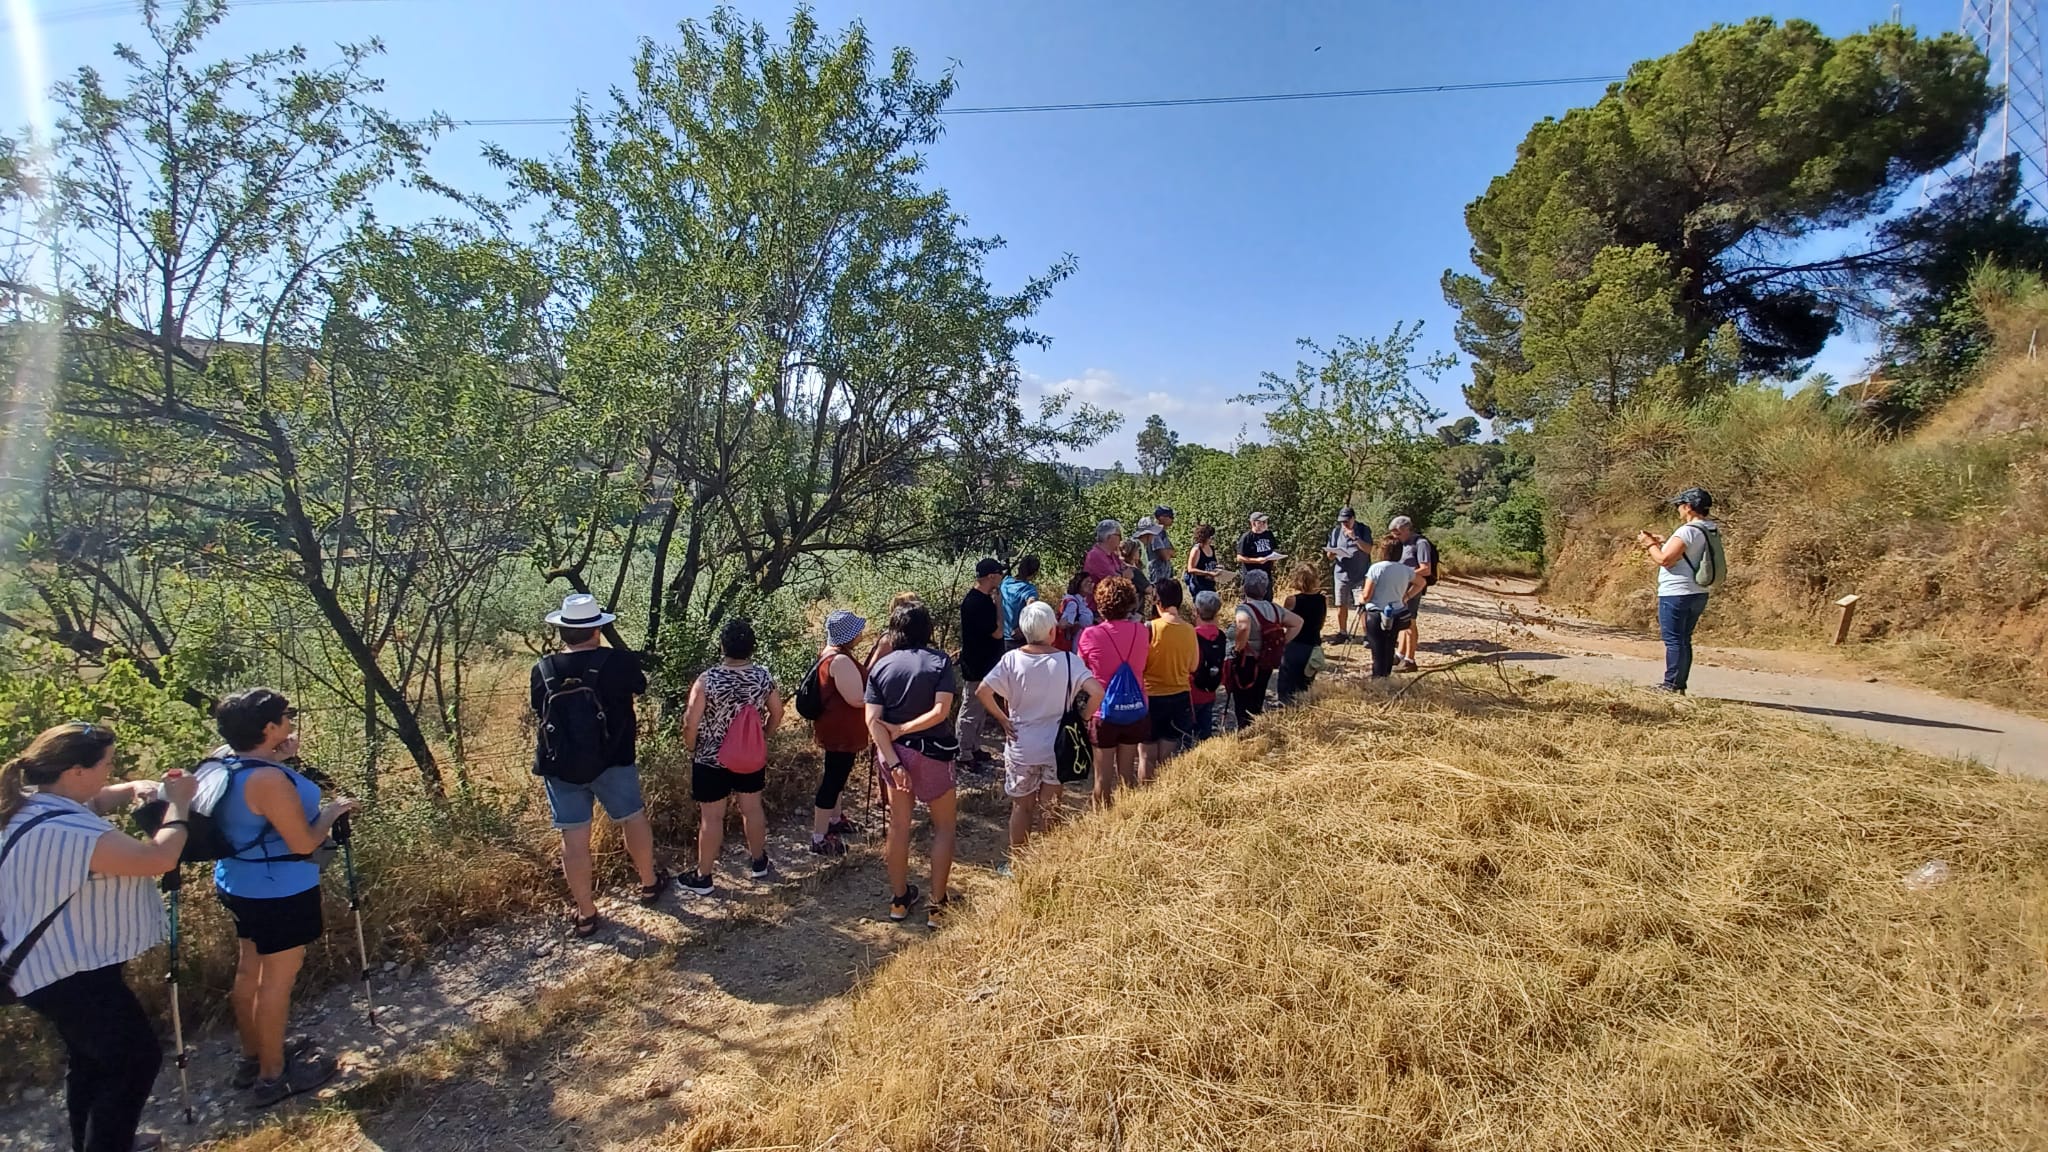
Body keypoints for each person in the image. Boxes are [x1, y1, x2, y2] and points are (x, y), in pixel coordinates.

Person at [1, 723, 196, 1151]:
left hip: (51, 967)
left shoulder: (28, 804)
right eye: (107, 764)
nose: (111, 772)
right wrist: (177, 807)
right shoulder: (68, 832)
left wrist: (132, 790)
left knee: (91, 1063)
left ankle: (93, 1143)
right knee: (134, 1062)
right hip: (70, 975)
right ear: (74, 771)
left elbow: (97, 797)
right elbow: (158, 858)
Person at [211, 688, 355, 1106]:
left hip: (239, 881)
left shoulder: (224, 761)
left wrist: (280, 755)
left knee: (250, 971)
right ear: (269, 727)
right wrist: (332, 812)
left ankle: (254, 1056)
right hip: (279, 888)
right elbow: (304, 843)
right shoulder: (269, 780)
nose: (291, 721)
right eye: (285, 717)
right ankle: (274, 1077)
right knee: (277, 980)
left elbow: (251, 800)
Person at [530, 594, 664, 936]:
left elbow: (538, 708)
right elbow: (640, 686)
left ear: (562, 631)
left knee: (573, 840)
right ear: (598, 628)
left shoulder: (542, 670)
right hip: (614, 758)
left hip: (561, 766)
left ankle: (586, 913)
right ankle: (649, 884)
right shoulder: (619, 662)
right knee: (632, 819)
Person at [976, 602, 1103, 868]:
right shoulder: (1068, 661)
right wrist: (1082, 717)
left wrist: (1002, 719)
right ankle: (1047, 864)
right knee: (1051, 807)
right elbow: (1097, 692)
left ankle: (1018, 865)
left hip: (1022, 744)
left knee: (1022, 807)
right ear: (1053, 631)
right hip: (1058, 746)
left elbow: (983, 691)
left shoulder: (1011, 660)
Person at [865, 602, 961, 927]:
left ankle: (899, 900)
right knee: (944, 826)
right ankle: (937, 906)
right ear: (927, 629)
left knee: (899, 827)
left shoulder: (881, 667)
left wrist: (893, 763)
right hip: (933, 753)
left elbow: (872, 722)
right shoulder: (940, 662)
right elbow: (940, 712)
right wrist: (906, 729)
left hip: (894, 758)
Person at [680, 618, 782, 892]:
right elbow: (778, 712)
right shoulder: (763, 676)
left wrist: (691, 747)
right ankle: (759, 863)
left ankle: (703, 877)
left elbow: (691, 721)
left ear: (722, 645)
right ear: (752, 646)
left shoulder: (707, 679)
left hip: (710, 758)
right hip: (749, 756)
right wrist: (762, 737)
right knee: (752, 809)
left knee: (711, 818)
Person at [1077, 577, 1150, 810]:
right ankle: (1129, 820)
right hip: (1135, 708)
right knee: (1127, 775)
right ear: (1130, 602)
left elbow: (1081, 673)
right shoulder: (1142, 631)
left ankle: (1103, 826)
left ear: (1100, 604)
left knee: (1102, 779)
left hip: (1103, 712)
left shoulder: (1090, 635)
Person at [1639, 486, 1721, 694]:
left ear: (1689, 508)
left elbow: (1664, 559)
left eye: (1680, 505)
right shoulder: (1709, 528)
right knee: (1684, 639)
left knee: (1674, 640)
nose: (1678, 509)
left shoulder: (1686, 530)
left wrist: (1649, 544)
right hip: (1698, 592)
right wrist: (1664, 542)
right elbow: (1689, 552)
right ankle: (1678, 684)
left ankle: (1671, 684)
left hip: (1677, 592)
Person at [807, 610, 870, 857]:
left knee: (837, 776)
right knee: (833, 780)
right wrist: (879, 699)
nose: (861, 634)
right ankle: (819, 837)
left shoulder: (829, 654)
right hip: (842, 729)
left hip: (834, 727)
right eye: (857, 630)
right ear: (848, 635)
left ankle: (834, 820)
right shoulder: (841, 661)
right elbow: (856, 699)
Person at [1228, 569, 1302, 729]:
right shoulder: (1274, 608)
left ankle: (1244, 732)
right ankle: (1255, 728)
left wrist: (1238, 648)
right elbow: (1298, 622)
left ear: (1245, 587)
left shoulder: (1244, 609)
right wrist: (1283, 642)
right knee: (1258, 697)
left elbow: (1243, 626)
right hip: (1266, 659)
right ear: (1265, 589)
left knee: (1242, 701)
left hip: (1247, 661)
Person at [1142, 579, 1199, 776]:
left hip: (1151, 697)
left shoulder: (1149, 628)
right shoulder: (1190, 630)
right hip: (1179, 696)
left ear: (1158, 601)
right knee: (1167, 758)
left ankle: (1144, 799)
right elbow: (1193, 666)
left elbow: (1140, 664)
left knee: (1146, 757)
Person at [956, 558, 1007, 774]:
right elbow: (997, 631)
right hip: (976, 664)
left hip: (985, 663)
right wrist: (999, 606)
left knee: (979, 708)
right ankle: (963, 752)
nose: (1002, 578)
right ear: (991, 577)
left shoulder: (981, 599)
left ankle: (974, 747)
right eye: (999, 574)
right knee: (971, 708)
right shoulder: (977, 602)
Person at [1360, 538, 1427, 678]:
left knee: (1377, 647)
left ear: (1382, 551)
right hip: (1396, 612)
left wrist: (1360, 599)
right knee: (1389, 646)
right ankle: (1386, 676)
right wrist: (1407, 596)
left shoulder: (1376, 568)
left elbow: (1366, 595)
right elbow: (1421, 582)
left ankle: (1377, 678)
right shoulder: (1405, 570)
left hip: (1376, 612)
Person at [1388, 515, 1437, 672]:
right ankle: (1400, 655)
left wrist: (1405, 574)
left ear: (1407, 529)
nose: (1395, 535)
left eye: (1397, 531)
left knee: (1410, 622)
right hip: (1403, 585)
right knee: (1402, 621)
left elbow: (1426, 569)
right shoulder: (1403, 543)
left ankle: (1410, 660)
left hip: (1413, 587)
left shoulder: (1420, 543)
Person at [1278, 564, 1329, 706]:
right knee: (1306, 685)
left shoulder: (1292, 600)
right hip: (1313, 645)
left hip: (1295, 645)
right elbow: (1322, 623)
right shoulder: (1323, 599)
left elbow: (1283, 622)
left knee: (1288, 687)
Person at [1324, 507, 1374, 642]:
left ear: (1353, 519)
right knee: (1341, 604)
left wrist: (1355, 538)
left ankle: (1367, 635)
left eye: (1347, 521)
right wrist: (1332, 552)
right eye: (1342, 522)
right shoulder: (1335, 532)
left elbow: (1369, 550)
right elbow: (1329, 556)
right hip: (1341, 574)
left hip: (1360, 574)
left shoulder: (1363, 530)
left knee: (1362, 605)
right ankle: (1342, 632)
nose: (1344, 524)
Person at [1190, 591, 1227, 741]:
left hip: (1191, 691)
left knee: (1186, 737)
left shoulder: (1191, 635)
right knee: (1204, 734)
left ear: (1197, 611)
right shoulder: (1221, 635)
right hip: (1210, 690)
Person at [999, 556, 1042, 648]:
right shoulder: (1029, 590)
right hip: (1017, 638)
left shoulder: (1005, 582)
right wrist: (1022, 629)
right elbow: (1032, 610)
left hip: (1000, 635)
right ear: (1034, 573)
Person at [1058, 573, 1098, 651]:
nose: (1091, 585)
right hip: (1076, 645)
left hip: (1082, 643)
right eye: (1087, 582)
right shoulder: (1072, 603)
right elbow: (1062, 624)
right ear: (1079, 584)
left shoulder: (1081, 601)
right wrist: (1077, 625)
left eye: (1091, 582)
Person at [1236, 511, 1281, 579]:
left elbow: (1274, 549)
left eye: (1265, 522)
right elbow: (1239, 557)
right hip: (1251, 576)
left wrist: (1275, 557)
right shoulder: (1247, 537)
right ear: (1253, 523)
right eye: (1261, 522)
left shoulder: (1269, 534)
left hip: (1266, 575)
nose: (1264, 524)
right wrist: (1257, 560)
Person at [1185, 524, 1221, 598]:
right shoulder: (1197, 550)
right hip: (1199, 586)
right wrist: (1208, 573)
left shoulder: (1212, 548)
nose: (1212, 539)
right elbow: (1190, 569)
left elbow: (1212, 564)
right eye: (1210, 537)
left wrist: (1218, 568)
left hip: (1210, 585)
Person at [1119, 537, 1150, 619]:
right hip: (1134, 612)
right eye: (1137, 550)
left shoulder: (1118, 567)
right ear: (1133, 553)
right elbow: (1148, 589)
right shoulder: (1134, 571)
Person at [1146, 506, 1177, 586]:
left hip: (1165, 575)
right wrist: (1167, 551)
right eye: (1170, 516)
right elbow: (1165, 556)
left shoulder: (1163, 533)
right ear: (1161, 517)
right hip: (1157, 576)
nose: (1172, 519)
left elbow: (1174, 553)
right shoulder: (1155, 534)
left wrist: (1167, 551)